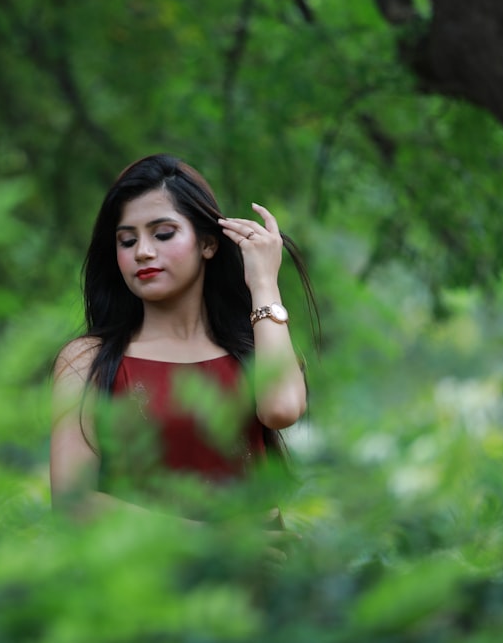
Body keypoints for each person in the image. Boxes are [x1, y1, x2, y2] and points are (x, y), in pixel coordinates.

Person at [50, 153, 316, 531]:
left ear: (207, 244)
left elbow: (283, 410)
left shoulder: (252, 348)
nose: (143, 251)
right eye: (127, 241)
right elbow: (71, 504)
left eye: (163, 234)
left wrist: (264, 283)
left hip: (260, 577)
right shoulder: (88, 360)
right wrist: (209, 541)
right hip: (143, 582)